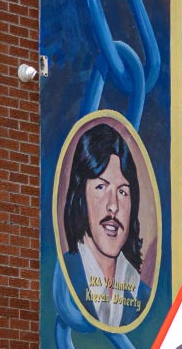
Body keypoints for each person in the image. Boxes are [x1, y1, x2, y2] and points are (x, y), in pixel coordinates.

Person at [62, 122, 148, 328]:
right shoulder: (63, 278)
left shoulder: (143, 296)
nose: (113, 206)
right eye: (101, 187)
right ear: (80, 194)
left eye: (122, 192)